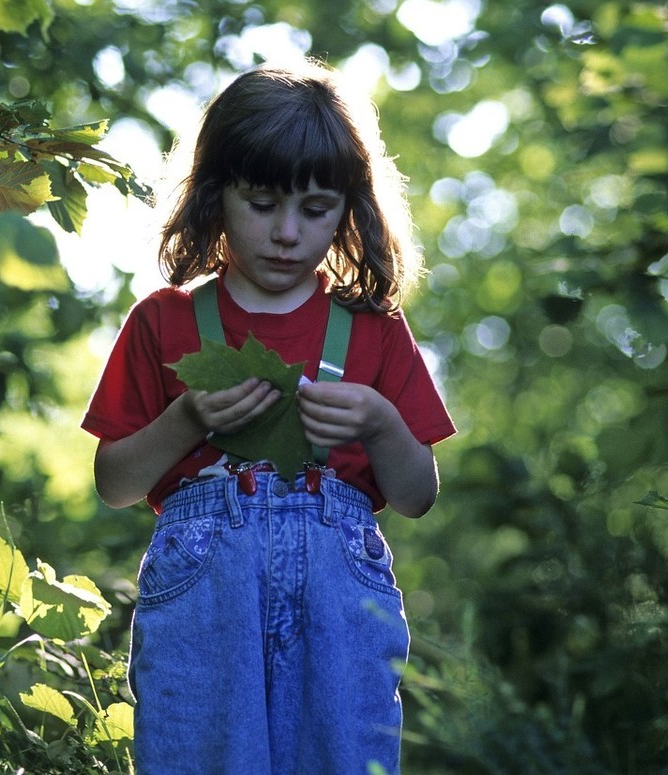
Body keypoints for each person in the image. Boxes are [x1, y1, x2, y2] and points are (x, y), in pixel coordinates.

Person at [81, 58, 456, 775]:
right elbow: (115, 482)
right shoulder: (164, 322)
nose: (287, 232)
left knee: (340, 757)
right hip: (204, 610)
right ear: (215, 195)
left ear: (350, 209)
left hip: (338, 613)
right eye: (261, 202)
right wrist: (186, 419)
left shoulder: (372, 327)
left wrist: (380, 423)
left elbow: (417, 495)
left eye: (315, 210)